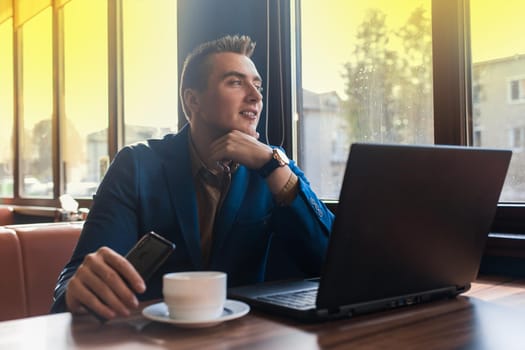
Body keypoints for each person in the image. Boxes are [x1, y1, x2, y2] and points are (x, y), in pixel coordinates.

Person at [51, 34, 334, 320]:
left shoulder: (273, 164)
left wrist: (271, 165)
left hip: (247, 337)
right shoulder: (136, 165)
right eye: (236, 82)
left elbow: (331, 264)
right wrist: (78, 289)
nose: (256, 96)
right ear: (193, 99)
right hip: (154, 336)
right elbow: (74, 279)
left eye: (257, 85)